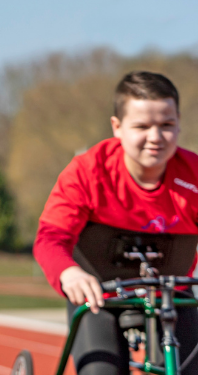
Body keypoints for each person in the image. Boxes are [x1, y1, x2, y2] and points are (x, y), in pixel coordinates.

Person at [34, 71, 198, 375]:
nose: (155, 137)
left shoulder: (193, 175)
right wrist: (68, 272)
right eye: (142, 126)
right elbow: (50, 238)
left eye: (166, 125)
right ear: (117, 127)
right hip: (100, 295)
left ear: (178, 124)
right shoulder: (87, 172)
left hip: (171, 294)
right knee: (102, 371)